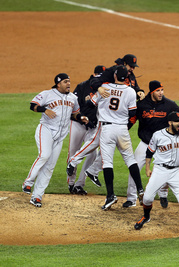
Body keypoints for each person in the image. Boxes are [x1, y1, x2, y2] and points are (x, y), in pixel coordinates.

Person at [66, 54, 144, 192]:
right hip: (107, 117)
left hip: (113, 119)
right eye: (131, 66)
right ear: (124, 65)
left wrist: (140, 92)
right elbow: (95, 81)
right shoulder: (112, 73)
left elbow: (135, 87)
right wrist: (99, 88)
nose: (132, 69)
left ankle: (88, 169)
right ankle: (81, 165)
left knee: (97, 143)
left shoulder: (129, 76)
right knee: (97, 142)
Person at [134, 111, 179, 238]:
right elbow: (149, 152)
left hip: (175, 172)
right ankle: (146, 216)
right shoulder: (158, 135)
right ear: (170, 123)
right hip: (159, 170)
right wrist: (147, 169)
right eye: (178, 122)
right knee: (147, 198)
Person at [22, 73, 89, 207]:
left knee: (50, 167)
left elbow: (74, 113)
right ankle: (28, 182)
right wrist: (44, 110)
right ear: (58, 84)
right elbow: (33, 105)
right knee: (44, 155)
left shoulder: (73, 98)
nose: (68, 84)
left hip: (60, 136)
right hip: (46, 130)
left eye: (69, 81)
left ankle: (37, 197)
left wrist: (81, 118)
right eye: (65, 82)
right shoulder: (47, 94)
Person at [89, 66, 144, 210]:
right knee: (130, 160)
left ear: (114, 76)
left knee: (107, 162)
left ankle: (110, 196)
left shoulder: (104, 87)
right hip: (122, 130)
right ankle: (140, 189)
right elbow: (132, 114)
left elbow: (91, 103)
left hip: (107, 130)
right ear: (126, 78)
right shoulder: (131, 91)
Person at [123, 80, 179, 208]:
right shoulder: (142, 104)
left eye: (162, 90)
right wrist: (123, 129)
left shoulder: (169, 105)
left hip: (162, 146)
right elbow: (132, 118)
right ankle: (131, 198)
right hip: (145, 143)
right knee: (135, 168)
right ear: (152, 92)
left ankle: (163, 194)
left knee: (165, 170)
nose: (161, 93)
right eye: (158, 91)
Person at [66, 65, 105, 195]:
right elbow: (73, 108)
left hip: (93, 127)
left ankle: (79, 184)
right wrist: (82, 117)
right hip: (78, 124)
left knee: (92, 154)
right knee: (73, 152)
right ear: (94, 75)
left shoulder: (105, 89)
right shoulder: (83, 86)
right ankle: (71, 183)